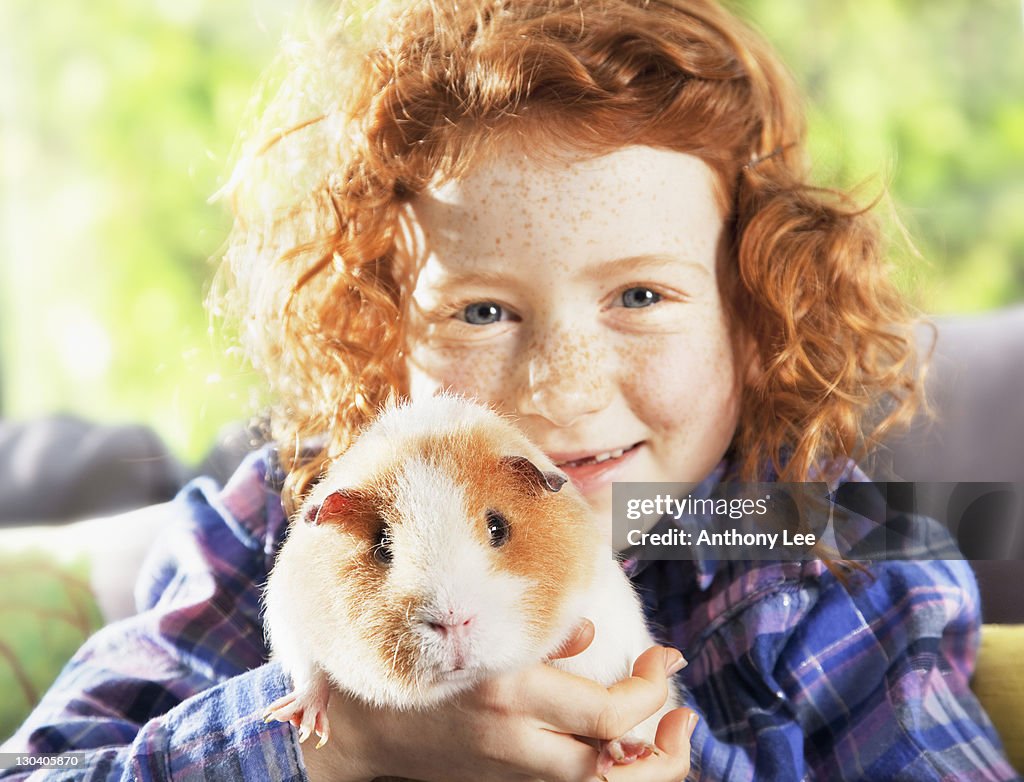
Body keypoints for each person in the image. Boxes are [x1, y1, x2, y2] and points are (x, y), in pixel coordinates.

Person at [2, 0, 1019, 779]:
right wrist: (330, 738)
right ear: (377, 326)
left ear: (753, 319)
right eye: (481, 311)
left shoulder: (823, 558)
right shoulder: (289, 527)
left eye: (638, 294)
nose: (557, 389)